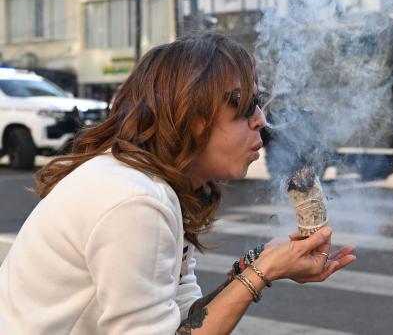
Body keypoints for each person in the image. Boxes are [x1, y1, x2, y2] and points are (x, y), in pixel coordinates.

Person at [0, 34, 356, 334]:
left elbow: (186, 319)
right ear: (192, 116)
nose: (261, 120)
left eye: (258, 103)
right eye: (244, 105)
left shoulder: (152, 182)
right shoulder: (135, 201)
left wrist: (255, 265)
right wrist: (265, 272)